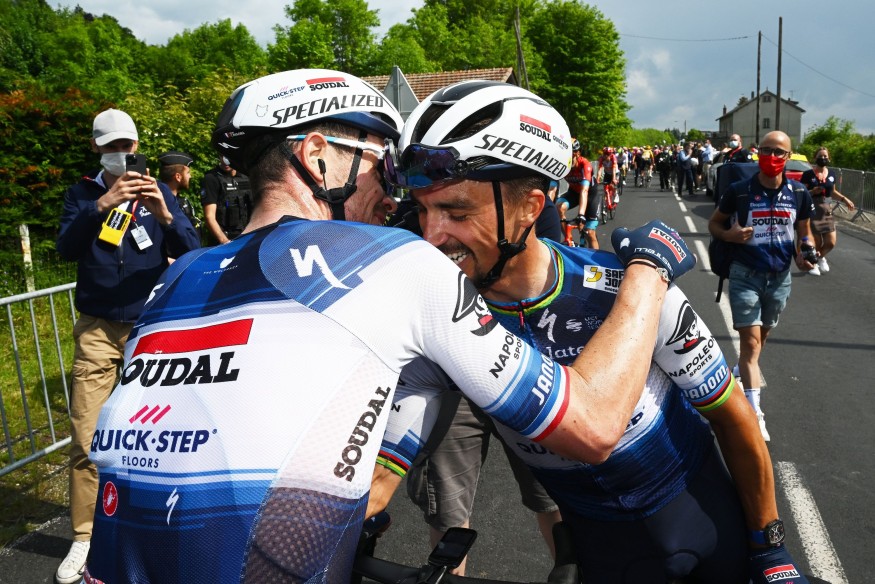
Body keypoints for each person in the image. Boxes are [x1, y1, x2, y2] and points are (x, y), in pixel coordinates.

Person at [82, 70, 696, 584]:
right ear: (316, 156)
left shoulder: (179, 275)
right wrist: (649, 271)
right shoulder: (390, 259)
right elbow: (593, 426)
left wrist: (362, 496)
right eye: (381, 163)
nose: (392, 193)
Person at [373, 81, 808, 584]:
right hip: (602, 551)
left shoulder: (627, 284)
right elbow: (381, 468)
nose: (431, 235)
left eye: (456, 212)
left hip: (706, 526)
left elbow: (733, 418)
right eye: (422, 209)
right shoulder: (439, 315)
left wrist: (772, 549)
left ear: (530, 207)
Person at [54, 109, 200, 584]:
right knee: (87, 436)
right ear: (96, 149)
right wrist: (100, 206)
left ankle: (155, 524)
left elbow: (193, 250)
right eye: (112, 147)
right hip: (97, 327)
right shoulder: (81, 194)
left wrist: (164, 214)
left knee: (158, 434)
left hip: (149, 327)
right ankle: (84, 536)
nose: (122, 154)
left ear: (137, 146)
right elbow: (65, 248)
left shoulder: (158, 191)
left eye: (128, 146)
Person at [708, 130, 816, 442]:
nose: (771, 156)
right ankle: (754, 414)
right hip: (745, 274)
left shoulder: (799, 193)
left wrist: (806, 252)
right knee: (752, 344)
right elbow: (714, 223)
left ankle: (741, 369)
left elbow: (804, 231)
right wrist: (729, 235)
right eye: (766, 150)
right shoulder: (740, 191)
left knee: (760, 339)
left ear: (788, 156)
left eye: (778, 152)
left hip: (780, 278)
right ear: (758, 154)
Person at [799, 146, 856, 275]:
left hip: (826, 208)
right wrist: (812, 191)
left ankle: (819, 258)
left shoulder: (831, 174)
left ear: (829, 158)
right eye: (820, 156)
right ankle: (813, 264)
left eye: (825, 156)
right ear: (815, 158)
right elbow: (802, 193)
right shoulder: (807, 174)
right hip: (812, 209)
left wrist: (845, 199)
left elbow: (833, 191)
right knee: (817, 242)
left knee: (831, 242)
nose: (823, 158)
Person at [200, 155, 252, 243]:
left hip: (247, 238)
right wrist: (225, 242)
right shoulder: (211, 178)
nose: (225, 161)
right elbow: (209, 217)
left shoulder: (246, 176)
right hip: (224, 240)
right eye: (222, 156)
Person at [556, 139, 597, 248]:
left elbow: (584, 191)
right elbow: (552, 185)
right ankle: (570, 241)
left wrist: (581, 215)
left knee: (590, 232)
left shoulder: (585, 164)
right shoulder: (561, 164)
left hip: (589, 194)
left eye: (569, 152)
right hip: (574, 192)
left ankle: (597, 257)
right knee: (559, 207)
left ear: (577, 153)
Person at [158, 150, 200, 230]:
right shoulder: (161, 205)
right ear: (178, 177)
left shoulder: (182, 202)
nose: (190, 176)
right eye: (188, 173)